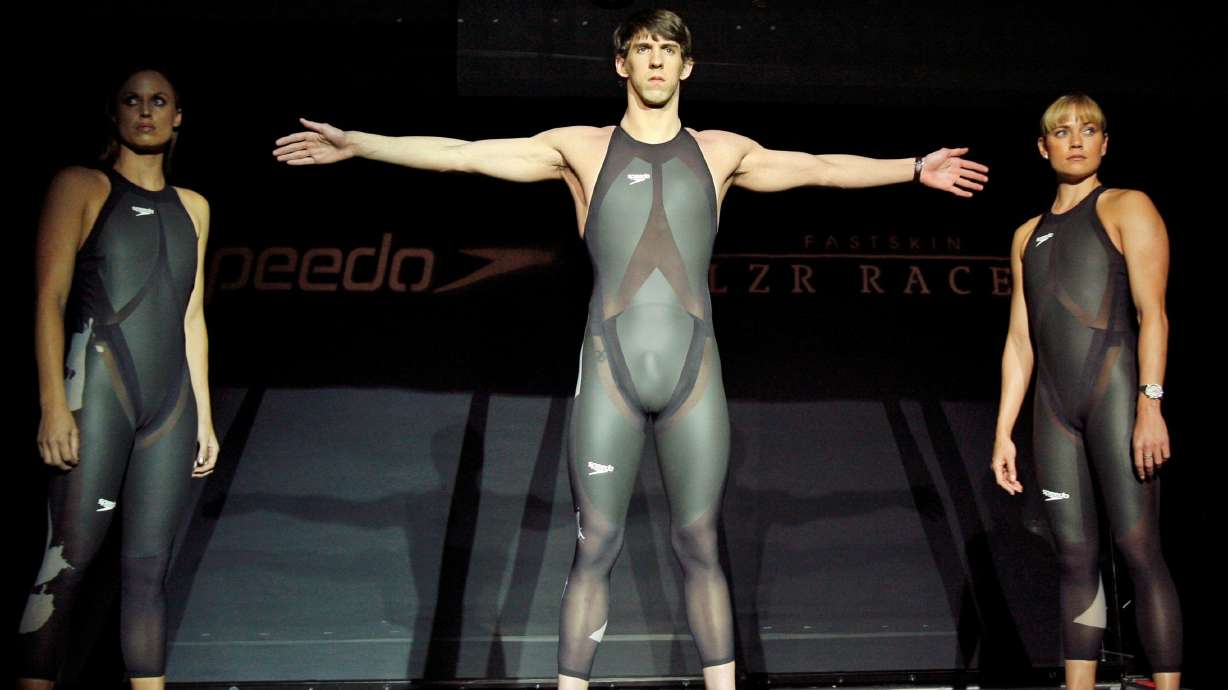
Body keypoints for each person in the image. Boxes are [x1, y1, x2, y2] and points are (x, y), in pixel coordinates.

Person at [274, 10, 987, 688]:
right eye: (642, 48)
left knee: (701, 543)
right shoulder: (578, 148)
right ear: (622, 63)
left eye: (667, 49)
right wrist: (360, 143)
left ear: (686, 65)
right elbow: (462, 156)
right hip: (611, 371)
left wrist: (915, 166)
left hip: (693, 377)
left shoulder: (722, 152)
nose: (654, 59)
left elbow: (823, 168)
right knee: (596, 546)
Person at [20, 67, 219, 689]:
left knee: (148, 571)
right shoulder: (80, 184)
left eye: (159, 101)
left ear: (178, 114)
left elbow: (191, 316)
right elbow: (49, 299)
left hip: (171, 409)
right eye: (132, 101)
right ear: (114, 113)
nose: (146, 111)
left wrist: (205, 417)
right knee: (67, 565)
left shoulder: (195, 207)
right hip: (97, 395)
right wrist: (54, 404)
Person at [991, 93, 1181, 690]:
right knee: (1073, 559)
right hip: (1053, 411)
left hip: (1117, 397)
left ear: (1105, 143)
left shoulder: (1127, 206)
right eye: (1062, 131)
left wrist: (1150, 405)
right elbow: (1021, 341)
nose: (1076, 139)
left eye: (1089, 129)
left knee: (1138, 549)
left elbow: (1155, 314)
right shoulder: (1027, 235)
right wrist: (1004, 430)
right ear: (1042, 147)